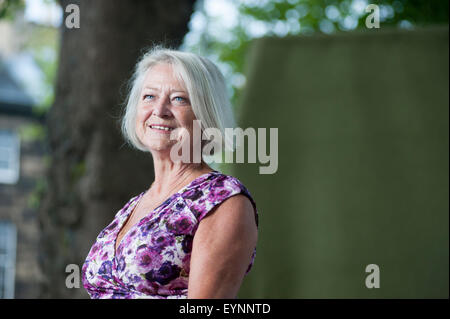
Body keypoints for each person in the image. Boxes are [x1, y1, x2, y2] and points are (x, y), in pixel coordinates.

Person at [81, 46, 259, 299]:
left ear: (207, 114)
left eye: (179, 99)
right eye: (149, 97)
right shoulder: (136, 204)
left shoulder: (222, 201)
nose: (159, 110)